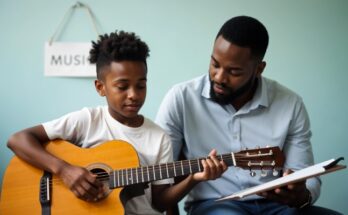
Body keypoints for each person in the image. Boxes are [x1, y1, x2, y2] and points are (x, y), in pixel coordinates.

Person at [7, 31, 226, 214]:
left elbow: (160, 202)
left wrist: (194, 179)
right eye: (122, 87)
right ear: (100, 88)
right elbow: (18, 140)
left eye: (141, 86)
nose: (133, 95)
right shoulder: (88, 120)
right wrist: (65, 170)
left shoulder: (158, 137)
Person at [156, 16, 342, 214]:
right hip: (214, 205)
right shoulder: (181, 98)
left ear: (258, 69)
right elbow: (161, 179)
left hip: (279, 208)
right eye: (215, 64)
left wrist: (301, 194)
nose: (219, 77)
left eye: (234, 71)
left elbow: (305, 174)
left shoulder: (290, 104)